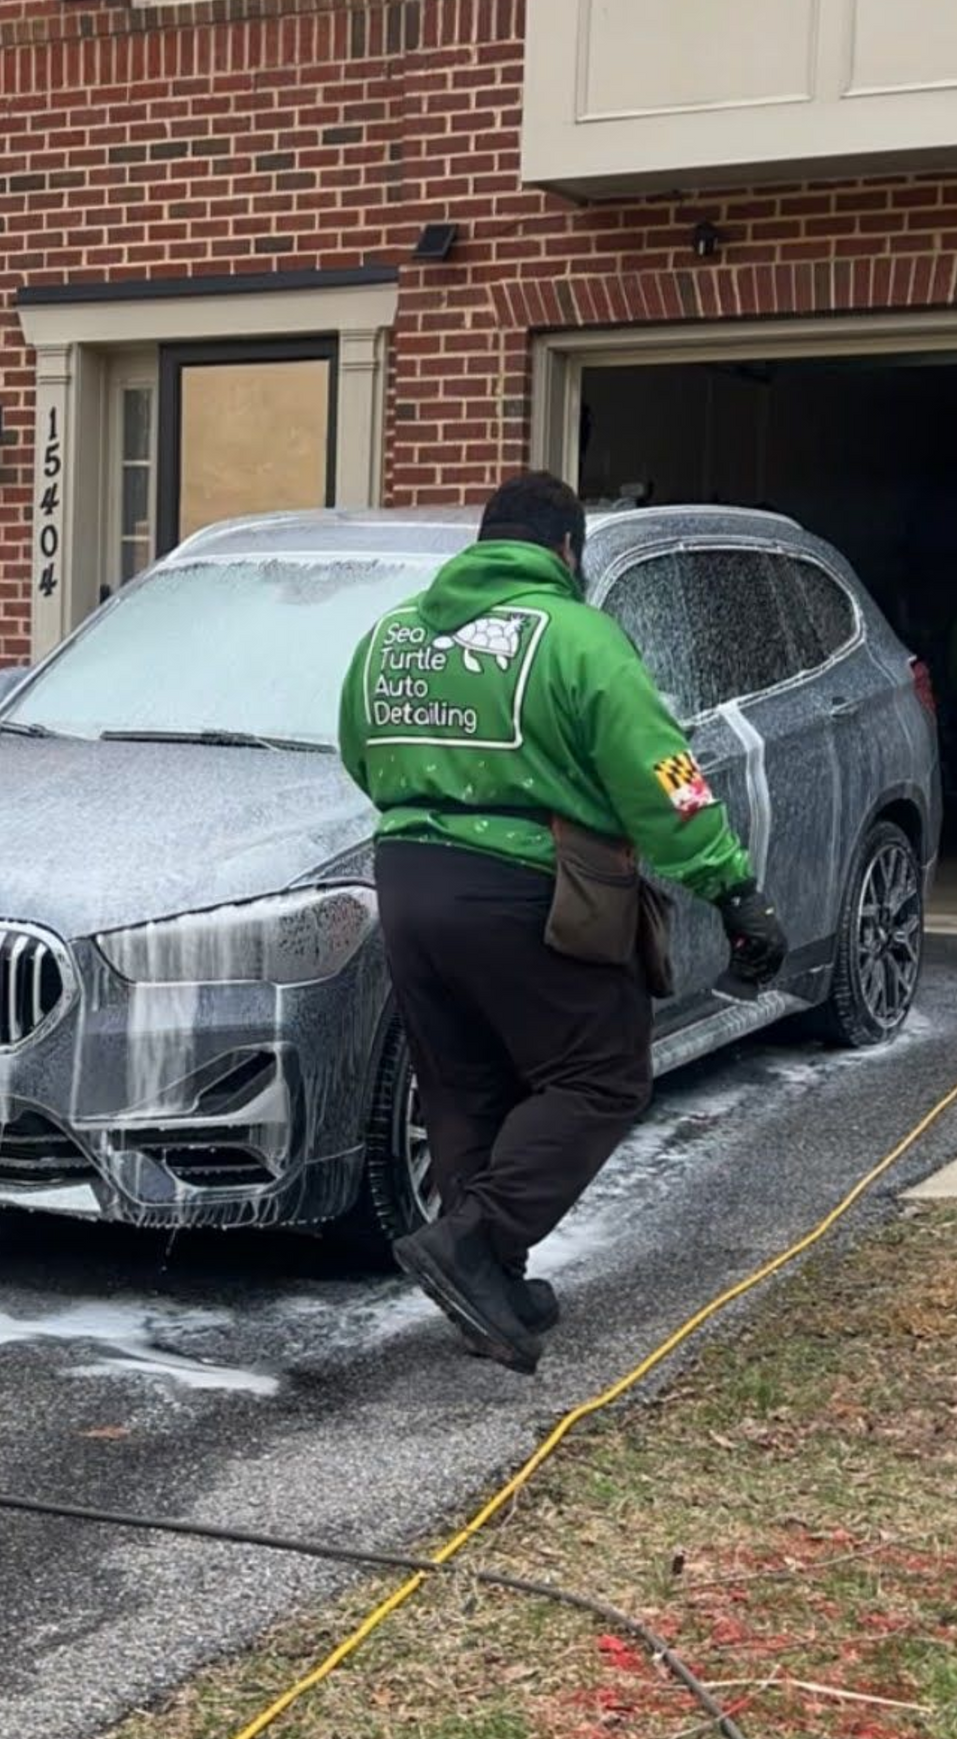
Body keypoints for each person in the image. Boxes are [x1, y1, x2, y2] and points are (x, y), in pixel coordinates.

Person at [338, 473, 787, 1373]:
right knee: (602, 1075)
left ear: (485, 538)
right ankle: (473, 1242)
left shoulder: (391, 637)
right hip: (529, 889)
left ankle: (492, 1280)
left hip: (408, 883)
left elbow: (359, 748)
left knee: (466, 1087)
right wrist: (732, 885)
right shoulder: (579, 638)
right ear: (567, 551)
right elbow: (661, 771)